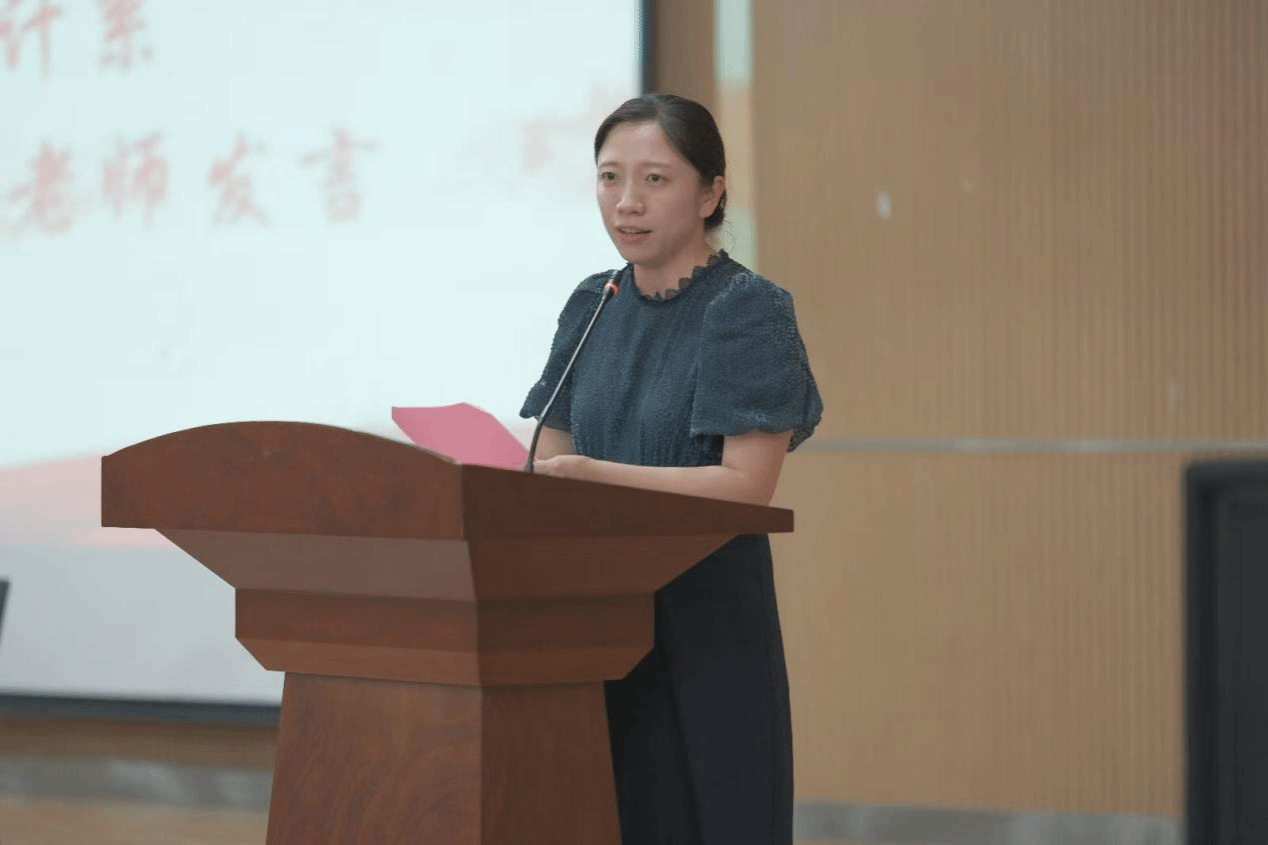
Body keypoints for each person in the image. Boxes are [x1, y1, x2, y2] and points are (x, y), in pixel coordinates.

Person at [520, 92, 822, 845]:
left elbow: (746, 488)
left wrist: (596, 478)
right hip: (590, 619)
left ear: (711, 193)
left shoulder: (746, 310)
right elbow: (549, 460)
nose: (627, 202)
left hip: (703, 630)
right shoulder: (593, 302)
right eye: (610, 177)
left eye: (654, 179)